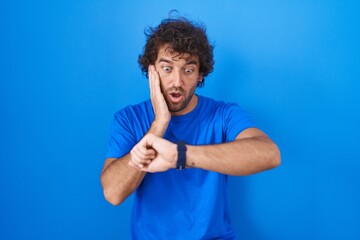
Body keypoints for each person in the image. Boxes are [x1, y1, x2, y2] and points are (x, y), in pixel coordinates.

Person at [100, 15, 281, 240]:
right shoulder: (129, 119)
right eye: (167, 68)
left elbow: (270, 154)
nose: (177, 81)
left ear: (200, 74)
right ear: (152, 71)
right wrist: (159, 124)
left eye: (188, 70)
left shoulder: (223, 114)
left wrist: (181, 155)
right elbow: (113, 193)